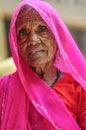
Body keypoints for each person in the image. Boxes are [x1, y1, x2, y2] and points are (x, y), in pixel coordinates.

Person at [0, 0, 86, 129]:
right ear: (15, 42)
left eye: (42, 30)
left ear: (56, 37)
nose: (33, 41)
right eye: (23, 32)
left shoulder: (78, 90)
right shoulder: (4, 88)